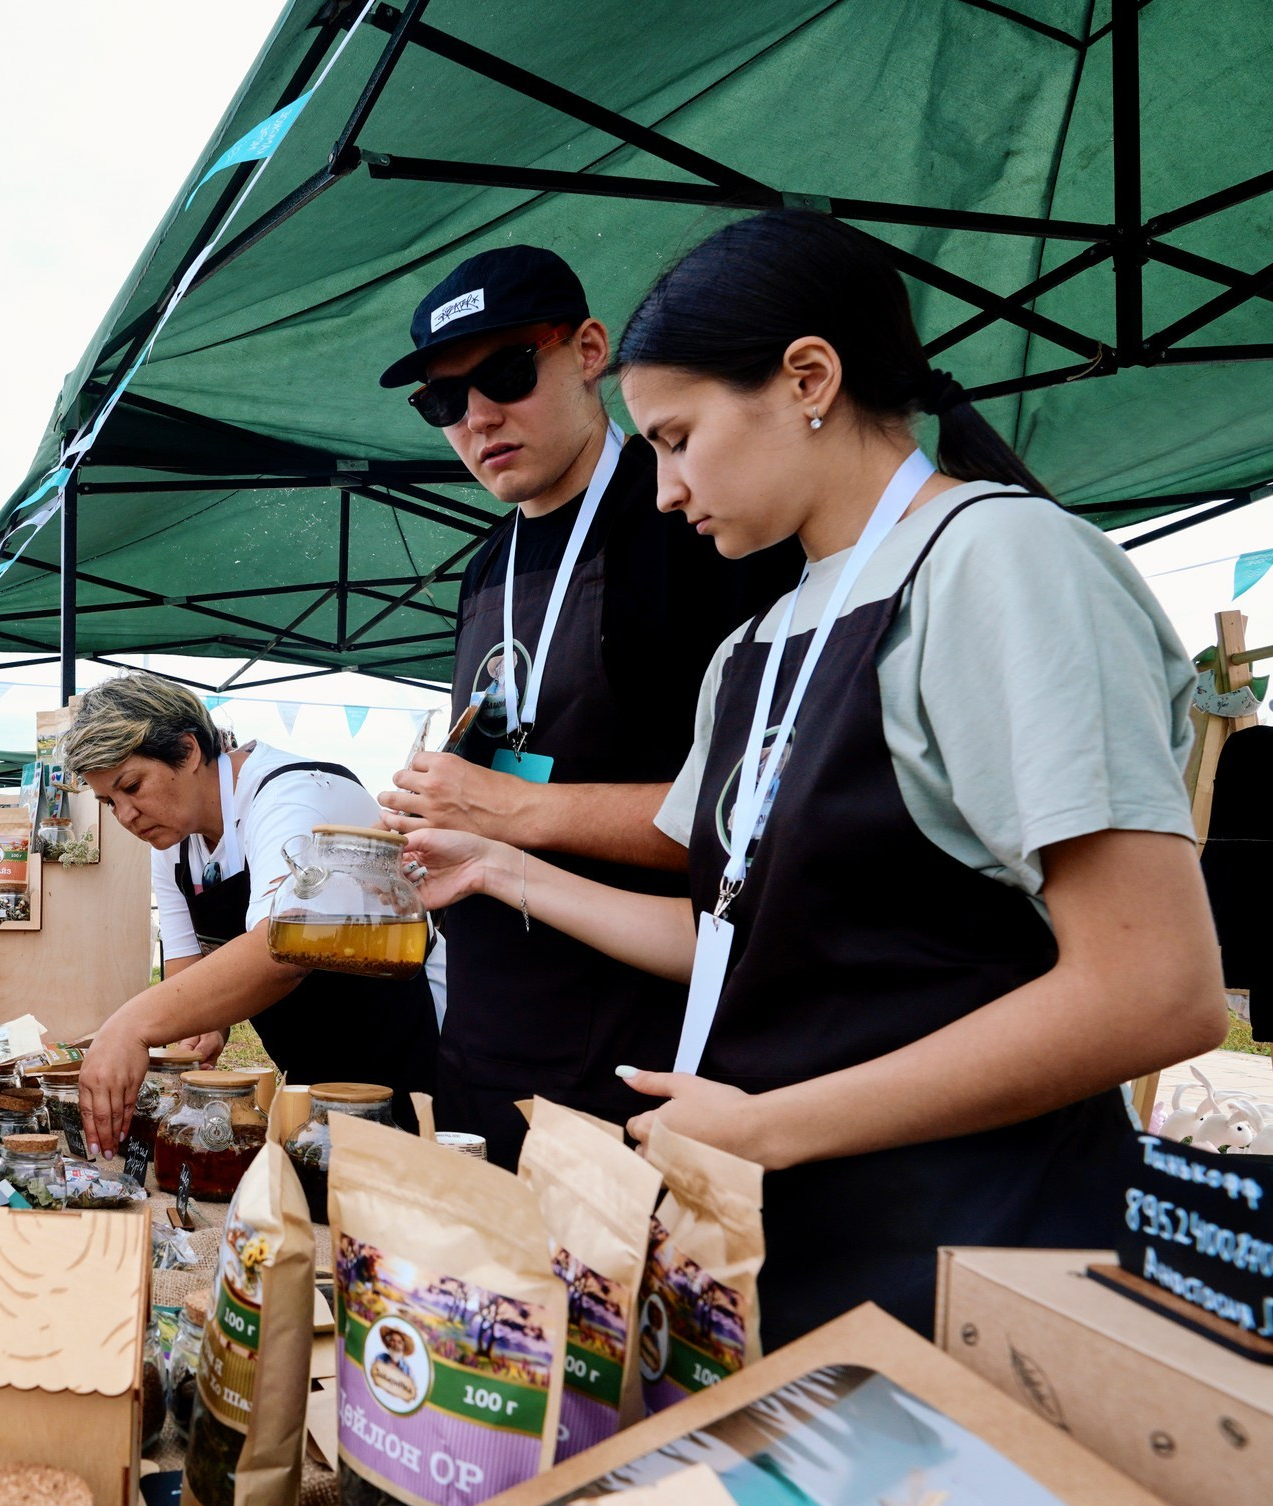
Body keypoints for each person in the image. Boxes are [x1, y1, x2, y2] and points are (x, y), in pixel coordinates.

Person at [400, 210, 1223, 1344]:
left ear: (807, 379)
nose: (662, 491)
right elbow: (740, 941)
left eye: (678, 440)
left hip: (977, 1250)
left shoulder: (998, 560)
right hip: (793, 1254)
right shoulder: (763, 637)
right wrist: (502, 869)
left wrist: (775, 1125)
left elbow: (1154, 990)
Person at [372, 245, 798, 1170]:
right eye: (445, 402)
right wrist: (433, 806)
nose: (478, 417)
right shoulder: (487, 565)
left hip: (639, 1052)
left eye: (506, 374)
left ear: (590, 350)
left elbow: (748, 829)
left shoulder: (698, 528)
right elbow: (496, 761)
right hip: (486, 1035)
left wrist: (506, 810)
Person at [67, 673, 438, 1152]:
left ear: (189, 749)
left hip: (417, 1054)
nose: (125, 816)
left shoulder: (290, 797)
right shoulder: (173, 844)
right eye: (108, 802)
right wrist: (199, 1031)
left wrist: (130, 1026)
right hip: (317, 1073)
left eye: (132, 787)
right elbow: (189, 973)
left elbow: (281, 952)